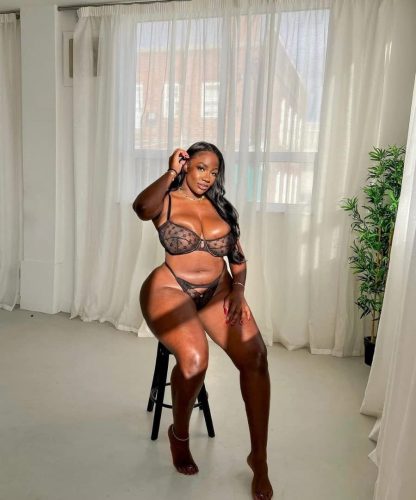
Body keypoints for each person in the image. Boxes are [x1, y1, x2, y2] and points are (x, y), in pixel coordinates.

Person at [133, 142, 273, 500]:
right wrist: (170, 172)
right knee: (195, 361)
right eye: (200, 168)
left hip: (219, 291)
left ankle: (259, 458)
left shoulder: (221, 207)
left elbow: (237, 259)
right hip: (170, 288)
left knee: (256, 358)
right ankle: (179, 436)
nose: (208, 177)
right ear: (186, 166)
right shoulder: (165, 200)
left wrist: (238, 290)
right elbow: (141, 208)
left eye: (214, 171)